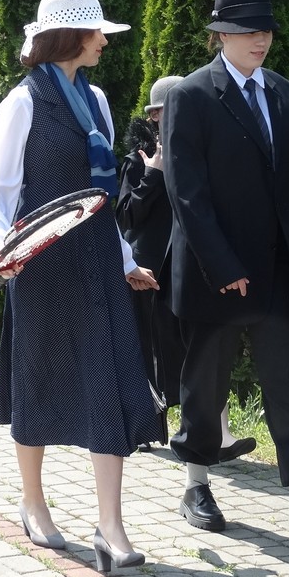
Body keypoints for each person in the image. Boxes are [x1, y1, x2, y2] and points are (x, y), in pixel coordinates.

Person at [0, 0, 164, 574]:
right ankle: (33, 502)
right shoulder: (22, 102)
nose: (104, 40)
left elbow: (102, 198)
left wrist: (125, 260)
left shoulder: (98, 101)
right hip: (43, 263)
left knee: (106, 380)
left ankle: (111, 527)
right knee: (40, 379)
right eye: (97, 31)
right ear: (72, 36)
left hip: (97, 260)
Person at [162, 0, 289, 545]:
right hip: (214, 274)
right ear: (220, 35)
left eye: (266, 29)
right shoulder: (191, 95)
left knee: (287, 383)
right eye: (248, 30)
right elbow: (187, 195)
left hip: (274, 272)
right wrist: (224, 267)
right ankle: (197, 484)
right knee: (206, 386)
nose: (261, 39)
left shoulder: (282, 92)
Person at [116, 75, 256, 459]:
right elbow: (126, 216)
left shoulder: (202, 154)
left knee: (207, 349)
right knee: (149, 350)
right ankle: (143, 426)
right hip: (148, 272)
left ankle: (218, 434)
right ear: (155, 116)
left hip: (193, 268)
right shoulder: (138, 161)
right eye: (173, 109)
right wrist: (154, 175)